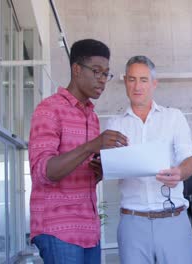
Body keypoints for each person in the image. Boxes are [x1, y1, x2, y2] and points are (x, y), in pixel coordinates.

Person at [28, 39, 128, 263]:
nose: (102, 80)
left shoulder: (91, 117)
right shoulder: (49, 109)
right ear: (76, 69)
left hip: (89, 230)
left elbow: (82, 170)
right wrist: (91, 146)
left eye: (106, 74)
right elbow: (44, 172)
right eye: (97, 71)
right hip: (58, 228)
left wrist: (100, 170)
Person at [105, 55, 192, 264]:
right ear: (125, 82)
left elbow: (190, 157)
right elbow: (106, 167)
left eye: (143, 80)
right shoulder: (114, 124)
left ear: (154, 84)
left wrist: (180, 172)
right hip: (133, 223)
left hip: (173, 220)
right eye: (131, 79)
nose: (137, 86)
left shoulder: (174, 117)